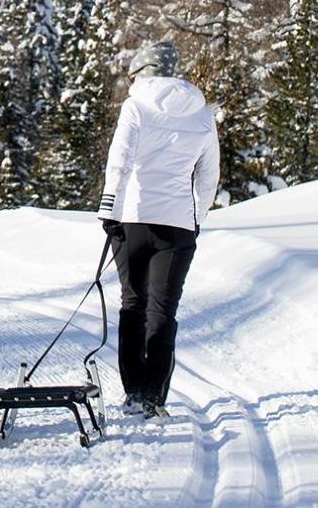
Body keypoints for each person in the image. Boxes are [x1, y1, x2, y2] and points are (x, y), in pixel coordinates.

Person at [96, 40, 220, 419]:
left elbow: (120, 159)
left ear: (143, 72)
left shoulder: (136, 106)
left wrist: (109, 208)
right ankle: (154, 396)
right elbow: (208, 174)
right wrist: (196, 216)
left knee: (133, 303)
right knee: (163, 310)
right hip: (178, 225)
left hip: (133, 218)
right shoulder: (202, 113)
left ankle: (133, 392)